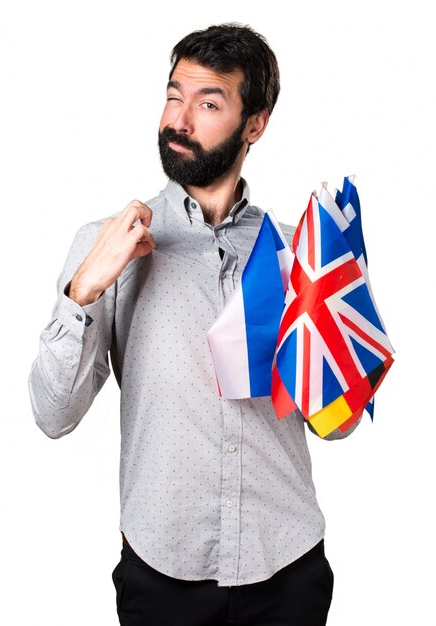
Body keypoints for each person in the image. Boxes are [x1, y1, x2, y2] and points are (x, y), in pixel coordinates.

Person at [29, 23, 360, 626]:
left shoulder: (295, 255)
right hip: (161, 574)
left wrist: (333, 318)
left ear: (254, 124)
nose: (178, 119)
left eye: (208, 103)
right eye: (173, 95)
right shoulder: (108, 244)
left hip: (286, 566)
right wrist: (84, 289)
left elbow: (337, 430)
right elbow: (53, 416)